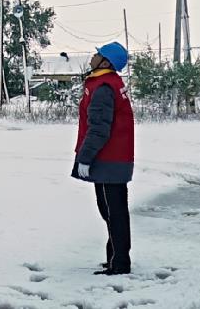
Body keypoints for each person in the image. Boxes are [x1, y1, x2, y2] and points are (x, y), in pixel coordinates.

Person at [71, 41, 134, 276]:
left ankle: (120, 264)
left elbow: (99, 128)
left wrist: (85, 159)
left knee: (113, 212)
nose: (93, 57)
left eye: (98, 54)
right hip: (112, 158)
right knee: (110, 211)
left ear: (106, 62)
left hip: (110, 160)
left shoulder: (104, 87)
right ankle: (115, 258)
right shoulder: (106, 83)